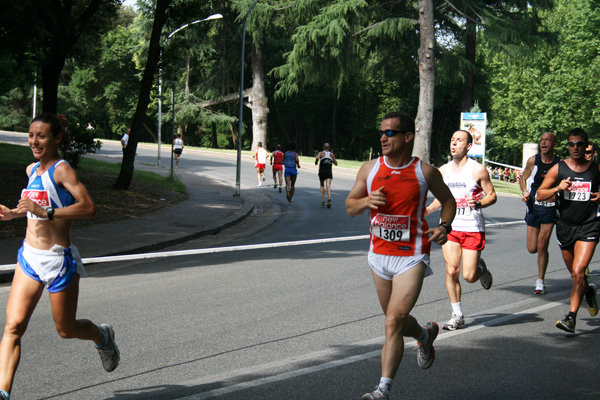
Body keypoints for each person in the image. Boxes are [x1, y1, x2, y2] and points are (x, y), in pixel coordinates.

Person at [0, 113, 120, 400]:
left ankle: (102, 337)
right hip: (29, 258)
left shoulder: (63, 170)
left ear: (56, 139)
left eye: (41, 136)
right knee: (13, 326)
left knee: (66, 330)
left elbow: (88, 207)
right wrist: (12, 213)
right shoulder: (32, 170)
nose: (34, 141)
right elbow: (33, 209)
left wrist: (48, 213)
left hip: (57, 261)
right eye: (31, 135)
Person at [346, 111, 456, 400]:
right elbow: (350, 206)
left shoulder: (425, 172)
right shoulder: (370, 169)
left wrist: (445, 226)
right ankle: (424, 335)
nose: (383, 137)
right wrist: (367, 201)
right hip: (379, 256)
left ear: (407, 137)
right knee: (395, 320)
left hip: (412, 255)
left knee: (393, 321)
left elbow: (448, 201)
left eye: (391, 132)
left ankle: (383, 390)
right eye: (382, 132)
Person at [426, 130, 497, 331]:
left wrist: (480, 203)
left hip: (473, 228)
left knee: (469, 275)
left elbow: (492, 195)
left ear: (468, 147)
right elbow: (441, 198)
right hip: (450, 226)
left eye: (459, 140)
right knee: (451, 270)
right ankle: (457, 315)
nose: (454, 143)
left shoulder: (478, 170)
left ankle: (480, 269)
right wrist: (428, 210)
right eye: (452, 140)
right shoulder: (443, 171)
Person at [537, 128, 599, 333]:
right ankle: (588, 291)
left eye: (579, 144)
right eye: (571, 144)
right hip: (565, 227)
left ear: (586, 145)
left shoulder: (596, 169)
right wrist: (557, 188)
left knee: (579, 270)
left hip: (589, 225)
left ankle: (571, 318)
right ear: (567, 146)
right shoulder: (559, 168)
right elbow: (539, 195)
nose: (575, 148)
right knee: (575, 275)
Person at [520, 132, 560, 294]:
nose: (544, 143)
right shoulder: (533, 161)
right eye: (542, 140)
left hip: (550, 207)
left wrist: (557, 195)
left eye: (548, 140)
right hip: (533, 206)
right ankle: (540, 276)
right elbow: (523, 178)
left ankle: (540, 281)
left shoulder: (560, 164)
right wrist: (524, 191)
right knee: (532, 248)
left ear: (554, 145)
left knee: (542, 246)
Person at [315, 143, 338, 208]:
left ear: (323, 147)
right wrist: (333, 160)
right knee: (328, 185)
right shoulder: (331, 154)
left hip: (322, 171)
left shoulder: (321, 153)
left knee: (322, 185)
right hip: (328, 171)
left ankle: (323, 201)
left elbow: (317, 157)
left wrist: (316, 162)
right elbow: (336, 163)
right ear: (329, 148)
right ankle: (329, 198)